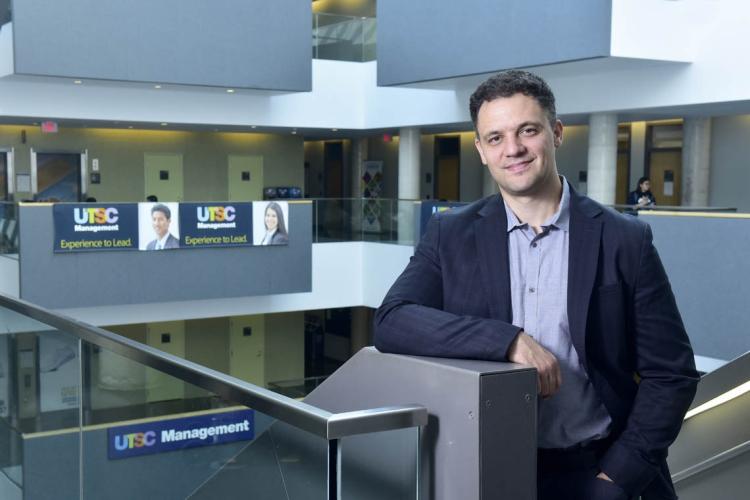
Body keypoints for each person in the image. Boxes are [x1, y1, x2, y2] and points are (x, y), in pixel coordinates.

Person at [374, 70, 698, 500]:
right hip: (487, 468)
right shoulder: (450, 235)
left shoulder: (624, 239)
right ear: (481, 151)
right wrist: (507, 341)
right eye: (495, 138)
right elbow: (392, 321)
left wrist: (617, 478)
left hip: (596, 469)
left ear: (556, 132)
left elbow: (671, 373)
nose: (513, 149)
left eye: (528, 130)